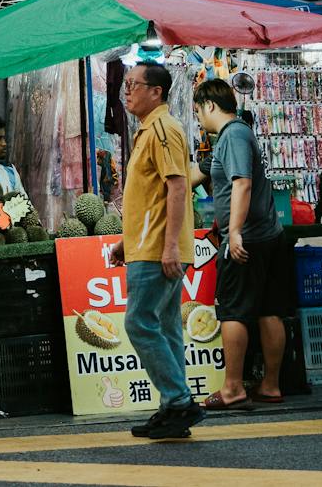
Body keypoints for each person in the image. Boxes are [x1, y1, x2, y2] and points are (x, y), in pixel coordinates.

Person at [193, 78, 291, 410]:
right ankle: (270, 386)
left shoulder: (232, 135)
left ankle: (233, 387)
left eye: (197, 110)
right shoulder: (231, 137)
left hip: (246, 240)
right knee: (268, 310)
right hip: (269, 236)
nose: (197, 118)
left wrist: (233, 231)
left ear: (209, 105)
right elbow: (199, 174)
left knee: (232, 310)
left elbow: (242, 184)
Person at [118, 61, 203, 440]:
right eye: (126, 84)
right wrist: (126, 239)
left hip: (157, 249)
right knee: (167, 327)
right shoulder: (148, 130)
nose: (127, 90)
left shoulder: (164, 129)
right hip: (148, 244)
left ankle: (179, 400)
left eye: (134, 84)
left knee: (139, 323)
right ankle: (174, 409)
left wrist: (169, 245)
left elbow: (177, 186)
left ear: (157, 92)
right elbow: (150, 195)